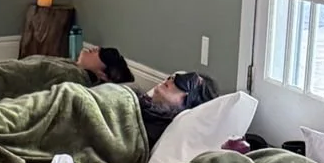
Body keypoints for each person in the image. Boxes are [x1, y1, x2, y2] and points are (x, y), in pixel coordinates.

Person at [76, 47, 223, 147]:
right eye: (173, 76)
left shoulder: (155, 129)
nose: (171, 79)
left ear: (191, 103)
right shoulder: (138, 101)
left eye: (183, 82)